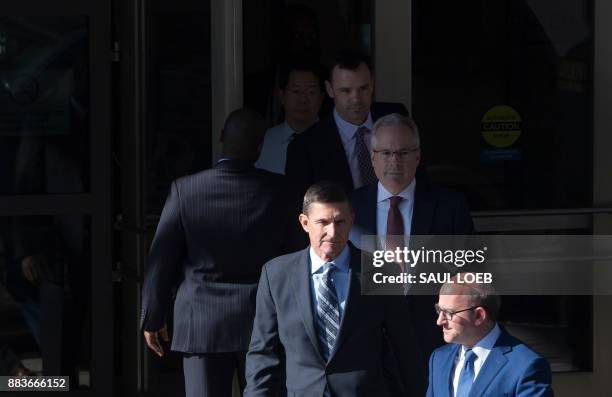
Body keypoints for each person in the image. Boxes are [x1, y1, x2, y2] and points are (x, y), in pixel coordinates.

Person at [140, 109, 302, 397]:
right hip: (262, 321)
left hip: (201, 324)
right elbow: (295, 257)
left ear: (221, 139)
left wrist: (153, 317)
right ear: (259, 148)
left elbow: (161, 261)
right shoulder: (281, 191)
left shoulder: (185, 190)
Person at [244, 181, 425, 397]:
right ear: (304, 222)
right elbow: (263, 354)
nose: (332, 232)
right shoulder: (276, 275)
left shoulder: (380, 271)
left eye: (340, 222)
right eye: (323, 222)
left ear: (352, 221)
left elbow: (403, 347)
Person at [350, 113, 475, 364]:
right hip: (367, 342)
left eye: (403, 153)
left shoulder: (449, 206)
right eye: (386, 153)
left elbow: (469, 272)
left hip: (432, 339)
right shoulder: (349, 208)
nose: (394, 161)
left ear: (417, 156)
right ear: (373, 158)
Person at [285, 50, 408, 193]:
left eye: (363, 88)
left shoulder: (395, 118)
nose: (356, 99)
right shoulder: (305, 147)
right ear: (330, 89)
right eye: (346, 91)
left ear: (372, 84)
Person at [426, 273, 554, 397]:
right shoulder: (439, 358)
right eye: (439, 310)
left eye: (449, 313)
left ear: (479, 316)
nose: (439, 321)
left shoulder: (525, 366)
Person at [255, 63, 324, 174]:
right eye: (296, 91)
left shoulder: (335, 139)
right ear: (282, 96)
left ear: (321, 98)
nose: (303, 100)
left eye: (311, 92)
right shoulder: (265, 141)